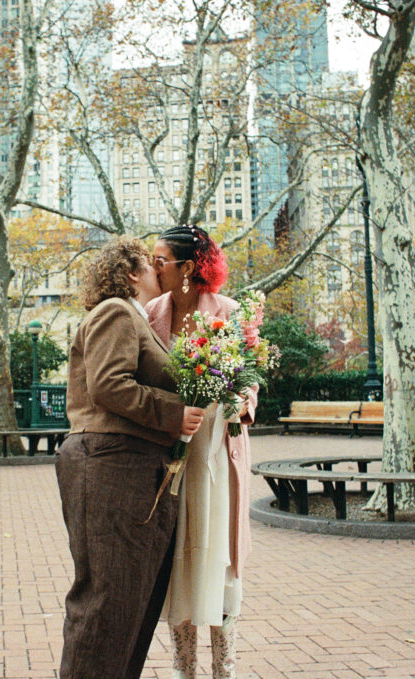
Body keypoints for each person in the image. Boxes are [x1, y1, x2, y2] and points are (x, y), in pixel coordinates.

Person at [55, 236, 206, 679]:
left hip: (134, 471)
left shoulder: (139, 320)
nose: (159, 269)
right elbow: (109, 385)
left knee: (130, 605)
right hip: (109, 465)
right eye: (150, 263)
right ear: (130, 274)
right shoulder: (115, 311)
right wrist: (175, 414)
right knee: (106, 604)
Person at [145, 225, 258, 679]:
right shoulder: (149, 313)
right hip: (173, 453)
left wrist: (238, 407)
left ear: (188, 267)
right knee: (179, 562)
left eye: (160, 260)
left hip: (218, 452)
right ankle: (183, 670)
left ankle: (224, 671)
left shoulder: (229, 313)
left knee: (222, 562)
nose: (153, 267)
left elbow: (249, 377)